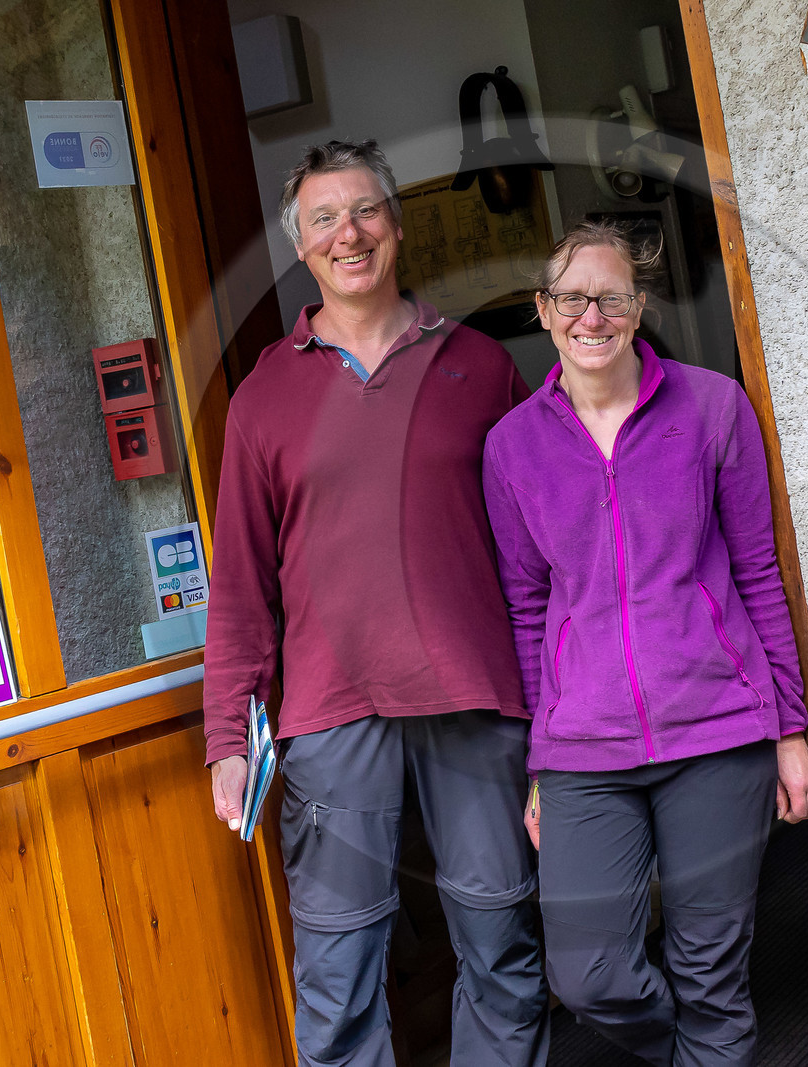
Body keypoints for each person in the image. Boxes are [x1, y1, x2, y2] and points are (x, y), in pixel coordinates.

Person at [203, 140, 548, 1067]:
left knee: (503, 952)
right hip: (328, 714)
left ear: (396, 225)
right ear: (303, 249)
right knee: (339, 969)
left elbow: (538, 559)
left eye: (364, 211)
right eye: (324, 219)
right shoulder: (263, 398)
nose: (347, 232)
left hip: (478, 700)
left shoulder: (480, 366)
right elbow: (240, 585)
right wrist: (228, 741)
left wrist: (559, 714)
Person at [481, 219, 808, 1065]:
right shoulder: (512, 445)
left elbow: (758, 574)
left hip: (718, 732)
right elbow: (527, 608)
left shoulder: (711, 407)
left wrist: (788, 730)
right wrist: (537, 762)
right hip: (582, 753)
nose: (589, 317)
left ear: (638, 307)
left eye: (610, 297)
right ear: (543, 310)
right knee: (589, 972)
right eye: (570, 299)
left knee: (713, 975)